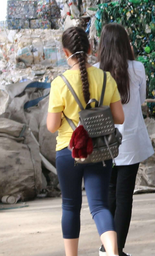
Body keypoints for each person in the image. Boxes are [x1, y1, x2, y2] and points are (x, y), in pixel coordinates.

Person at [47, 27, 125, 256]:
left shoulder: (59, 84)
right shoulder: (105, 77)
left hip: (68, 151)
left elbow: (52, 126)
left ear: (65, 52)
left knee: (70, 206)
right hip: (100, 151)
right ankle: (112, 252)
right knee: (99, 206)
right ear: (91, 48)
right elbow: (120, 117)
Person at [95, 23, 155, 256]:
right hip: (130, 141)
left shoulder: (94, 71)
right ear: (125, 44)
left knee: (108, 195)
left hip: (103, 144)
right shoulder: (137, 68)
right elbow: (141, 101)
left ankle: (106, 248)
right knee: (124, 198)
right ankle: (115, 250)